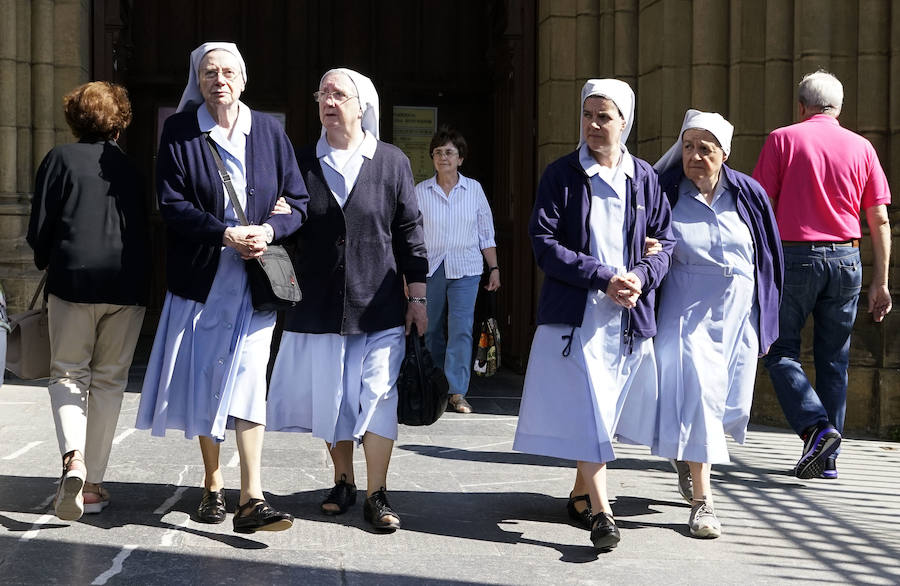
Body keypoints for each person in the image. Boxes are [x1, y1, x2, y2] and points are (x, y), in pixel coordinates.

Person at [135, 42, 308, 533]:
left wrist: (270, 231)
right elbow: (171, 202)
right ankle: (213, 483)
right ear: (198, 79)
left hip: (255, 280)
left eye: (228, 72)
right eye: (209, 72)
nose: (219, 81)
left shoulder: (270, 131)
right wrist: (224, 233)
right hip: (205, 275)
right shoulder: (180, 131)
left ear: (244, 80)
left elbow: (297, 199)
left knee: (251, 378)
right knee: (210, 377)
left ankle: (252, 496)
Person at [513, 79, 674, 551]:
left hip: (625, 321)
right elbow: (544, 244)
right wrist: (603, 275)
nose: (594, 125)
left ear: (625, 122)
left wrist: (642, 276)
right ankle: (604, 513)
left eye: (604, 116)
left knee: (604, 414)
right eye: (588, 115)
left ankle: (582, 495)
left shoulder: (643, 178)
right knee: (589, 411)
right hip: (577, 318)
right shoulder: (561, 173)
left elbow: (666, 243)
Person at [266, 68, 428, 533]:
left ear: (363, 107)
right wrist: (277, 218)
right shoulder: (300, 162)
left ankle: (377, 492)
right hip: (318, 304)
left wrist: (417, 296)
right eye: (323, 93)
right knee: (334, 399)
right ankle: (343, 480)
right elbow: (288, 228)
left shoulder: (391, 161)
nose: (328, 101)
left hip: (378, 304)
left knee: (378, 394)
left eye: (338, 94)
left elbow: (409, 232)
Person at [753, 70, 892, 480]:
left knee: (778, 351)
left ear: (801, 106)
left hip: (795, 258)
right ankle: (827, 459)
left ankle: (817, 428)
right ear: (839, 107)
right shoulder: (862, 147)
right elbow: (879, 219)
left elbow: (761, 207)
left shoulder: (783, 139)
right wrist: (880, 280)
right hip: (848, 258)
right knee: (835, 360)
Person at [651, 109, 783, 538]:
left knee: (729, 405)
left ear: (724, 153)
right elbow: (643, 237)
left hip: (739, 310)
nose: (693, 156)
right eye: (687, 147)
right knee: (701, 393)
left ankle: (689, 458)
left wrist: (766, 316)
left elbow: (770, 256)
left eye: (704, 149)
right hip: (686, 307)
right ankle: (704, 502)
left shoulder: (749, 193)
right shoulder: (666, 190)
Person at [26, 82, 149, 521]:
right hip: (128, 286)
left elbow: (40, 226)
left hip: (74, 282)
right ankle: (93, 486)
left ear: (75, 118)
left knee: (68, 375)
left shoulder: (59, 159)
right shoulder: (132, 169)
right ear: (120, 121)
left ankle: (72, 460)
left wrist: (48, 259)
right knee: (111, 381)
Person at [415, 126, 500, 414]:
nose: (443, 157)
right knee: (432, 328)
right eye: (438, 153)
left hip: (466, 268)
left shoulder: (473, 189)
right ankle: (436, 386)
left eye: (449, 152)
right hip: (431, 268)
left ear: (460, 158)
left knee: (461, 330)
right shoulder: (420, 191)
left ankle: (457, 392)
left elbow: (485, 233)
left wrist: (494, 268)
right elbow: (412, 236)